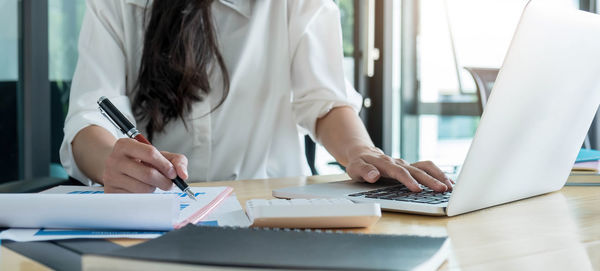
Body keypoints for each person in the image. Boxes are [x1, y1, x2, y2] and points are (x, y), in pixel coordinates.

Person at [60, 0, 454, 194]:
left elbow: (325, 100)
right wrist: (111, 162)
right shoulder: (116, 4)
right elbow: (89, 116)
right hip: (156, 215)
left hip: (273, 211)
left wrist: (359, 153)